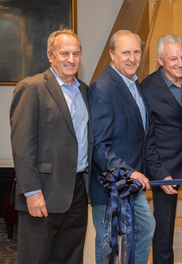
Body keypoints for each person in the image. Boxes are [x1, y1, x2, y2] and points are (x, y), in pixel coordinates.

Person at [10, 29, 92, 264]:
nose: (71, 59)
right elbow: (22, 145)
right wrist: (32, 192)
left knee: (70, 257)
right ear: (50, 55)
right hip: (43, 192)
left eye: (76, 53)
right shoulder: (32, 88)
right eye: (64, 53)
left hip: (77, 191)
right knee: (36, 258)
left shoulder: (84, 90)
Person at [89, 29, 155, 264]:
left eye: (136, 51)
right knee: (108, 243)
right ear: (111, 54)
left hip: (130, 185)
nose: (132, 58)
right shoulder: (102, 88)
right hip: (109, 186)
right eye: (125, 52)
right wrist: (129, 172)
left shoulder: (133, 83)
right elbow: (99, 146)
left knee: (145, 228)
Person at [140, 34, 182, 264]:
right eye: (173, 58)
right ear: (160, 60)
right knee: (163, 229)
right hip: (166, 165)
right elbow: (147, 138)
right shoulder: (147, 89)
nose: (180, 63)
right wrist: (159, 173)